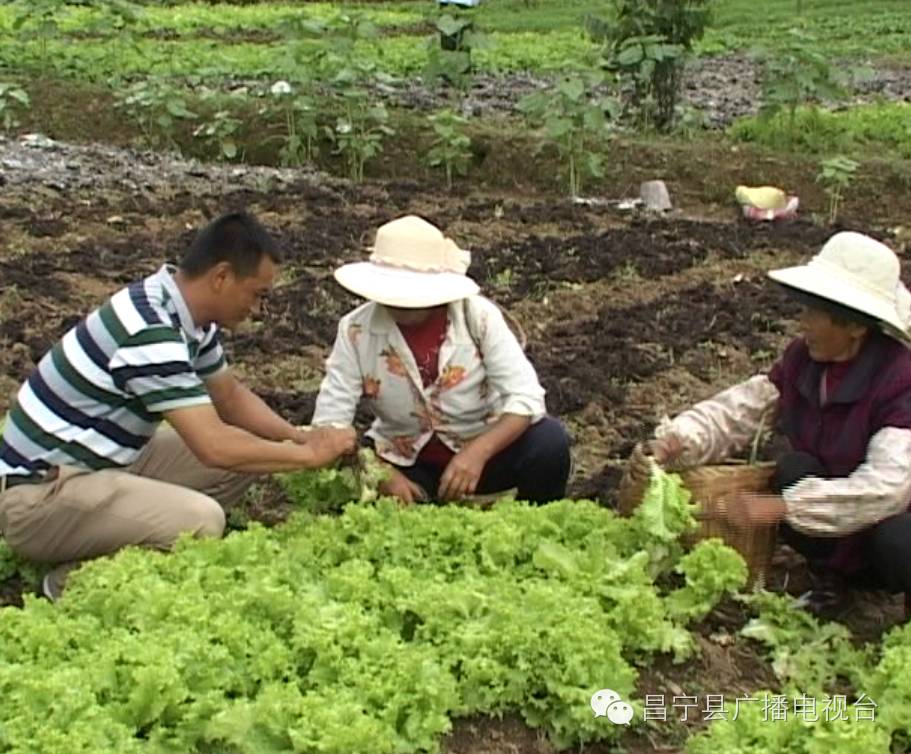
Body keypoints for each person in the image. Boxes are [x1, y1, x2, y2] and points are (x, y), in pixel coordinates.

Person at [0, 211, 355, 599]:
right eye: (257, 294)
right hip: (37, 497)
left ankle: (134, 529)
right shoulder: (149, 330)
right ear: (221, 277)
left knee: (253, 453)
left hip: (96, 462)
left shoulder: (181, 311)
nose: (258, 309)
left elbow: (229, 398)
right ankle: (76, 581)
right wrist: (309, 458)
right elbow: (213, 446)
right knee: (202, 520)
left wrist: (298, 439)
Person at [626, 231, 911, 613]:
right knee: (794, 470)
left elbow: (888, 489)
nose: (803, 323)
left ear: (855, 326)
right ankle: (835, 578)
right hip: (842, 518)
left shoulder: (899, 379)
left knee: (897, 540)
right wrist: (679, 440)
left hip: (893, 519)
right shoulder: (805, 359)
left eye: (814, 312)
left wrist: (779, 508)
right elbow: (742, 410)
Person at [312, 215, 571, 504]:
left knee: (549, 443)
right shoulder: (355, 330)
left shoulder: (478, 318)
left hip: (484, 457)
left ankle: (535, 525)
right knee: (347, 488)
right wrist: (380, 473)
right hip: (407, 461)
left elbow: (526, 399)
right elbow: (330, 422)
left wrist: (477, 452)